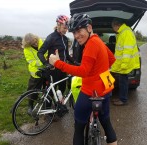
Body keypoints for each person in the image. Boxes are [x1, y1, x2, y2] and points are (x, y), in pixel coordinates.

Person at [49, 13, 117, 145]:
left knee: (79, 128)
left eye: (79, 31)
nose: (76, 36)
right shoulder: (99, 41)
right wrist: (98, 70)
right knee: (106, 123)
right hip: (106, 89)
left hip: (90, 92)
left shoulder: (91, 45)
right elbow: (112, 59)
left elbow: (83, 72)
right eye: (74, 32)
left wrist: (57, 63)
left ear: (89, 28)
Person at [37, 15, 76, 95]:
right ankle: (47, 107)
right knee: (51, 92)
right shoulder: (51, 37)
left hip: (63, 68)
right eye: (64, 28)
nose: (66, 30)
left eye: (67, 28)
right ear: (58, 25)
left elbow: (67, 55)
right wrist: (46, 64)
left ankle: (59, 106)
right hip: (53, 70)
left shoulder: (65, 39)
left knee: (62, 89)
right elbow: (40, 52)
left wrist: (76, 62)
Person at [110, 18, 140, 106]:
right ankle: (121, 98)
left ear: (116, 25)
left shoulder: (126, 32)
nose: (113, 30)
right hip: (123, 63)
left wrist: (124, 64)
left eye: (113, 27)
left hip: (126, 63)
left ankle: (123, 100)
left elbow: (127, 50)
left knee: (123, 81)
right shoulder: (123, 32)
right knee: (122, 81)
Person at [22, 33, 47, 114]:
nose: (35, 44)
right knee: (33, 90)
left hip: (46, 69)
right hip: (36, 71)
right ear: (28, 44)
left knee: (47, 88)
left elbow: (47, 54)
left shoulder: (42, 42)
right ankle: (30, 105)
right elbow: (31, 61)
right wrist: (42, 61)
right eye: (33, 43)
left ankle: (45, 103)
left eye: (35, 41)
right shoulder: (26, 49)